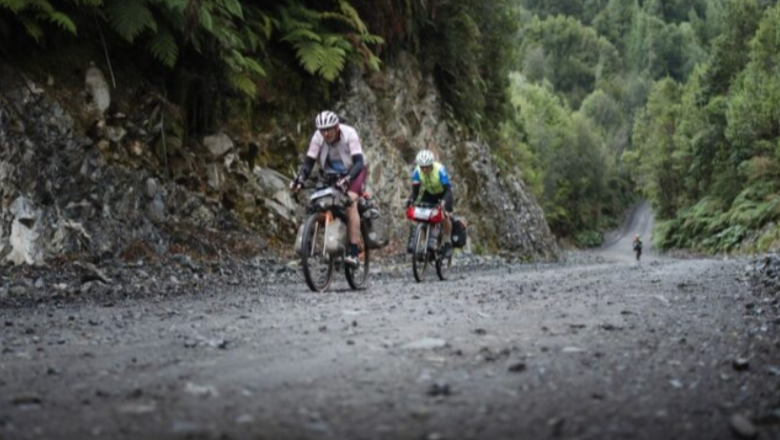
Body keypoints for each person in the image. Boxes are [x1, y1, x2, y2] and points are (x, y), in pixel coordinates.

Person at [290, 111, 368, 268]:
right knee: (319, 204)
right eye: (322, 130)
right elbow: (308, 163)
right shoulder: (318, 137)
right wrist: (300, 179)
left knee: (350, 203)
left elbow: (359, 162)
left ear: (336, 127)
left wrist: (348, 179)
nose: (325, 134)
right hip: (331, 175)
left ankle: (353, 253)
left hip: (354, 171)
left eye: (328, 129)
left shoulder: (349, 134)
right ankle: (311, 249)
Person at [405, 149, 454, 258]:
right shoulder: (417, 171)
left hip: (444, 194)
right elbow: (415, 191)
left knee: (444, 216)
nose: (424, 169)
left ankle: (447, 241)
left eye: (427, 167)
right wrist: (410, 200)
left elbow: (448, 190)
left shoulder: (440, 170)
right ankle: (423, 245)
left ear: (431, 164)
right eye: (422, 167)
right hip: (429, 194)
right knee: (421, 216)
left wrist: (444, 202)